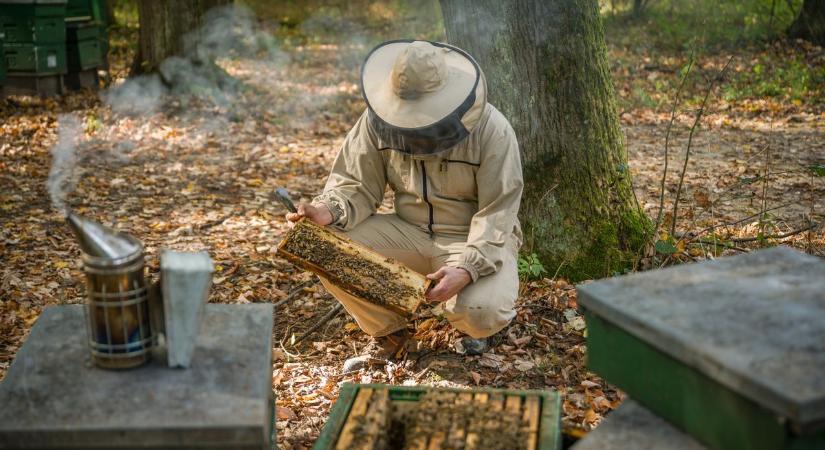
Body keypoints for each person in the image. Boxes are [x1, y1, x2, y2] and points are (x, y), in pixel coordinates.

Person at [286, 39, 523, 372]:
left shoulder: (492, 130)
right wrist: (328, 210)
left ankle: (480, 329)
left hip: (469, 237)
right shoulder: (375, 121)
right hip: (407, 230)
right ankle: (390, 331)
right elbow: (355, 185)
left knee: (482, 311)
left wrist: (468, 268)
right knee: (317, 245)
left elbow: (497, 212)